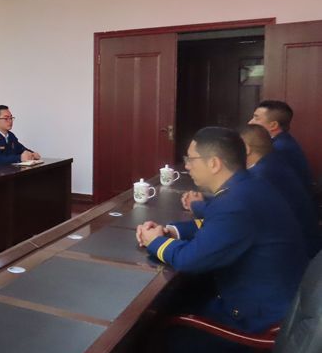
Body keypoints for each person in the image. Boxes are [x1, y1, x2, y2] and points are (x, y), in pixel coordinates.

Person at [137, 127, 307, 334]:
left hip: (256, 320)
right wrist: (171, 232)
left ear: (214, 163)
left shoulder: (235, 203)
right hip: (272, 302)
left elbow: (189, 260)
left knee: (161, 330)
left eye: (191, 159)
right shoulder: (249, 185)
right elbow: (216, 226)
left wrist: (155, 241)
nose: (187, 166)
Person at [185, 125, 320, 259]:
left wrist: (196, 205)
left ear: (246, 149)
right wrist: (204, 200)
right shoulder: (265, 168)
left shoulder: (262, 174)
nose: (187, 166)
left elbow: (233, 212)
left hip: (302, 251)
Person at [248, 99, 314, 193]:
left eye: (256, 118)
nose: (250, 122)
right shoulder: (281, 142)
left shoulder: (279, 148)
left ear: (273, 125)